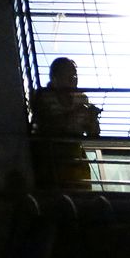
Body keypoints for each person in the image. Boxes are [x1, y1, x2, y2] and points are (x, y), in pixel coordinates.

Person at [30, 57, 101, 190]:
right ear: (55, 77)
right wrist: (74, 114)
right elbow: (47, 126)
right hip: (50, 158)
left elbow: (94, 133)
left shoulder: (81, 98)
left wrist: (92, 118)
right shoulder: (42, 96)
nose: (73, 79)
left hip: (75, 160)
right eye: (68, 75)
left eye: (74, 75)